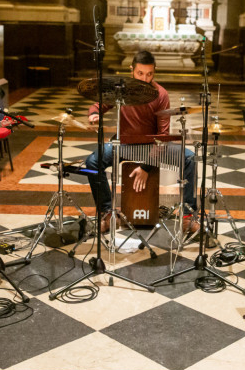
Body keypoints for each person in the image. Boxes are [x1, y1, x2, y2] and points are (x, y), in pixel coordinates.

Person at [85, 51, 198, 234]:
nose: (145, 79)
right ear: (131, 70)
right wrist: (94, 114)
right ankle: (106, 212)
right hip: (125, 145)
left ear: (155, 71)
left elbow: (162, 135)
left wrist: (146, 167)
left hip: (153, 147)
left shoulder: (160, 94)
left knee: (190, 159)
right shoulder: (121, 89)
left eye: (149, 74)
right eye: (140, 73)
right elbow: (98, 104)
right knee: (92, 162)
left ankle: (188, 217)